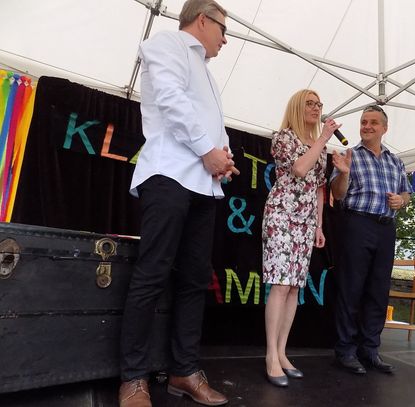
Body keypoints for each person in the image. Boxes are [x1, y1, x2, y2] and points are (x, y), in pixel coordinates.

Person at [118, 1, 238, 406]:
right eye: (223, 29)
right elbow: (170, 100)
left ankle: (183, 371)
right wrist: (208, 150)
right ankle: (133, 379)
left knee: (194, 280)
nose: (225, 39)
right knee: (152, 273)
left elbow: (209, 124)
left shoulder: (206, 72)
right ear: (203, 19)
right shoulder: (167, 43)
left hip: (203, 184)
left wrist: (223, 157)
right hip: (168, 174)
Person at [262, 89, 339, 387]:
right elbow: (299, 168)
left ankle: (282, 352)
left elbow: (319, 187)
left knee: (295, 287)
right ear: (297, 107)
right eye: (310, 103)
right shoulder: (284, 137)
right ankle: (270, 355)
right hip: (282, 214)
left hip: (306, 221)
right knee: (281, 284)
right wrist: (323, 138)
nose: (316, 108)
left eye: (319, 104)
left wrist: (319, 225)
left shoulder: (319, 145)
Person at [331, 105, 412, 375]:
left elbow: (406, 193)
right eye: (364, 121)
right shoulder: (349, 156)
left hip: (386, 228)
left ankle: (370, 350)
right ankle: (345, 350)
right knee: (351, 289)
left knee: (378, 291)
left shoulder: (395, 161)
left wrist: (401, 200)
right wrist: (344, 173)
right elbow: (338, 194)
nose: (367, 126)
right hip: (358, 224)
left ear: (384, 128)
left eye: (373, 122)